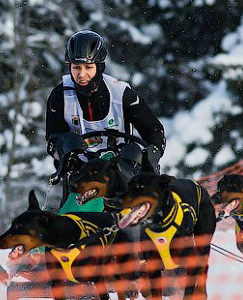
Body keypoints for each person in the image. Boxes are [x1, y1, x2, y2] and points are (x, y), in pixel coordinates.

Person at [44, 29, 166, 197]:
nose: (81, 74)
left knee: (133, 153)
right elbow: (53, 139)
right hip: (82, 174)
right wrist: (67, 155)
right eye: (76, 67)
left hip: (120, 170)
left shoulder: (122, 94)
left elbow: (153, 130)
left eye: (88, 67)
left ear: (99, 66)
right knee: (67, 142)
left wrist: (150, 156)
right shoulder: (59, 97)